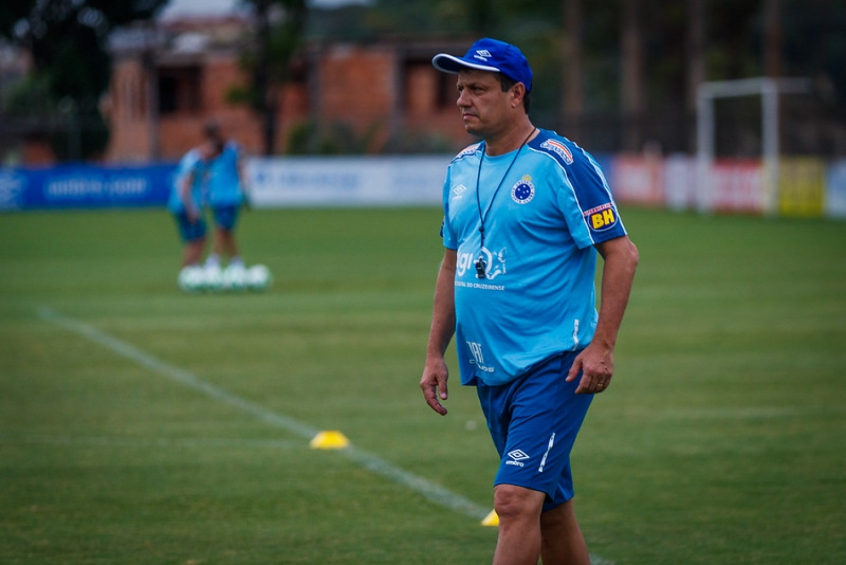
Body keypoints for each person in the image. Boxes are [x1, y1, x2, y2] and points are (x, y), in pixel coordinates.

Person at [419, 38, 638, 565]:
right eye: (460, 89)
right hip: (490, 371)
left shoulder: (560, 162)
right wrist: (433, 353)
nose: (463, 99)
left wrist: (602, 346)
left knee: (514, 502)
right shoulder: (460, 168)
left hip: (554, 365)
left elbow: (623, 254)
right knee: (551, 510)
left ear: (516, 94)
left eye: (478, 88)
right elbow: (452, 265)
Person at [202, 121, 250, 278]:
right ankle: (236, 261)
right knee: (227, 230)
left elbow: (241, 167)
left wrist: (245, 190)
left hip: (230, 196)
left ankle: (213, 260)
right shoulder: (211, 150)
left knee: (221, 228)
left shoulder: (233, 149)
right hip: (216, 196)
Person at [168, 136, 216, 268]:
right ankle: (188, 271)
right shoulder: (194, 162)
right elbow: (184, 186)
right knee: (195, 240)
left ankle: (193, 268)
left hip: (182, 205)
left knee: (200, 237)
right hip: (185, 206)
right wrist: (191, 209)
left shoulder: (193, 159)